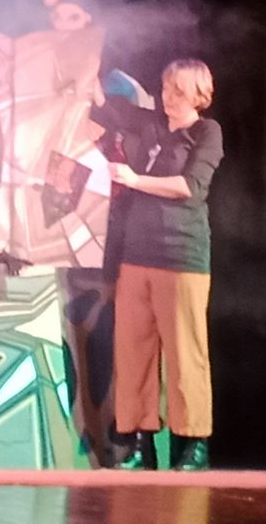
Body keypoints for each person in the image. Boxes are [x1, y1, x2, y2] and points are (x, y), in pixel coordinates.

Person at [90, 59, 224, 471]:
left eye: (178, 92)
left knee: (185, 355)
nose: (168, 97)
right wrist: (81, 55)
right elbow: (101, 104)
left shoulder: (207, 132)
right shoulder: (149, 123)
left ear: (198, 95)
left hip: (180, 257)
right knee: (133, 353)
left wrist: (134, 180)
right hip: (136, 256)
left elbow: (189, 187)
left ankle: (192, 445)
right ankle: (136, 443)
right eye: (165, 88)